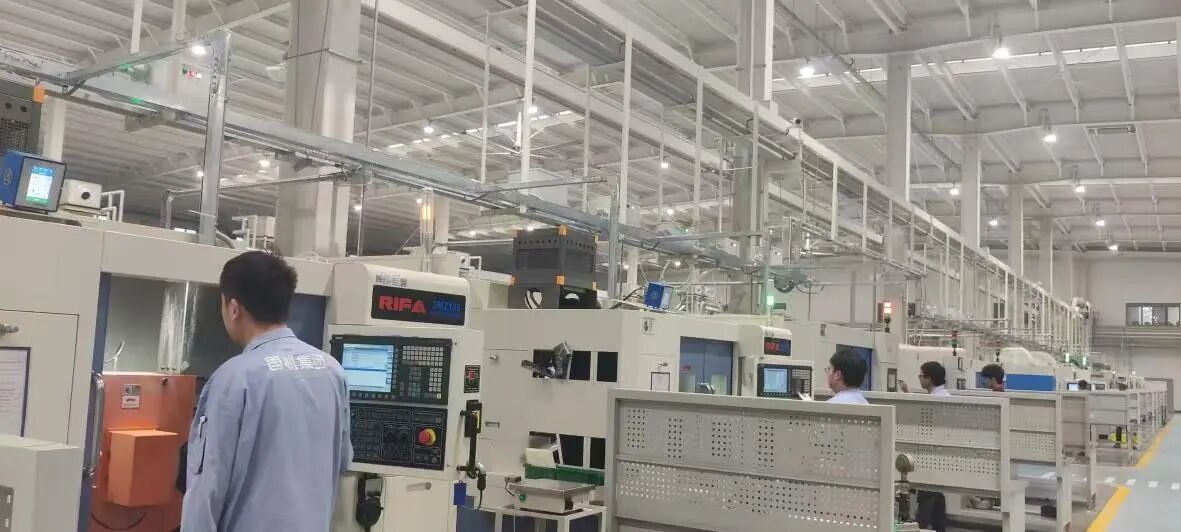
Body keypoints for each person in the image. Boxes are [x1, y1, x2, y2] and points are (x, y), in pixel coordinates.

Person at [181, 252, 352, 532]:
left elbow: (207, 488)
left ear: (233, 308)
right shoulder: (332, 370)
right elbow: (343, 460)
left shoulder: (233, 378)